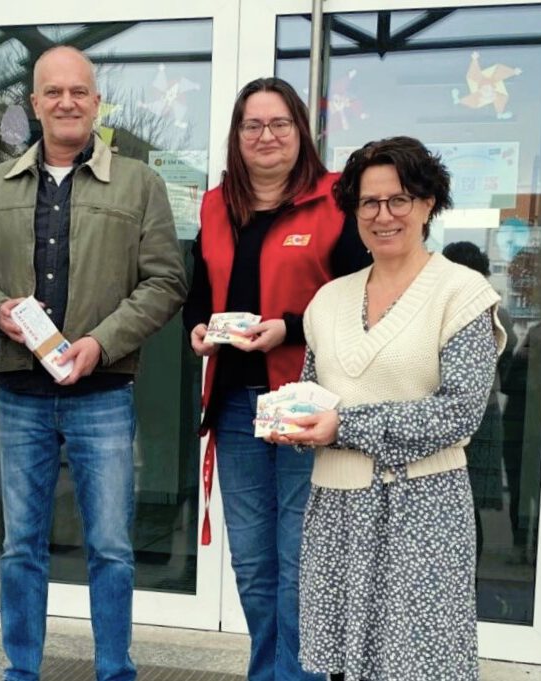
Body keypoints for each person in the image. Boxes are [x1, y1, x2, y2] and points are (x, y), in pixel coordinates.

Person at [0, 46, 186, 681]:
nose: (66, 102)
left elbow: (165, 281)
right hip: (20, 392)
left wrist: (101, 343)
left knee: (110, 547)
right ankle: (21, 671)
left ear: (96, 102)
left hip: (103, 392)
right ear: (34, 103)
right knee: (20, 547)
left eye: (79, 91)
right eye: (52, 92)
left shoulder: (139, 183)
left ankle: (115, 670)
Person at [274, 136, 506, 680]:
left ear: (428, 204)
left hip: (421, 510)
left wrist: (342, 426)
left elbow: (458, 413)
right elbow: (313, 390)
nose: (384, 215)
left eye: (399, 199)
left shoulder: (461, 293)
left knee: (417, 665)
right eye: (369, 203)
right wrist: (293, 421)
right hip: (336, 509)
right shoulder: (329, 299)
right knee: (341, 666)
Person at [182, 77, 371, 681]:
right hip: (235, 406)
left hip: (303, 403)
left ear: (300, 132)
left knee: (299, 564)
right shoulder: (216, 205)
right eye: (253, 125)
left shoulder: (336, 201)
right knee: (254, 566)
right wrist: (196, 327)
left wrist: (288, 328)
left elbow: (360, 302)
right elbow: (199, 291)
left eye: (279, 124)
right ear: (237, 136)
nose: (266, 136)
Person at [442, 241, 517, 567]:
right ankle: (468, 576)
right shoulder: (498, 311)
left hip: (457, 413)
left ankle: (463, 576)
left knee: (454, 503)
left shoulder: (455, 307)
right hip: (485, 410)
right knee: (469, 503)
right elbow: (507, 357)